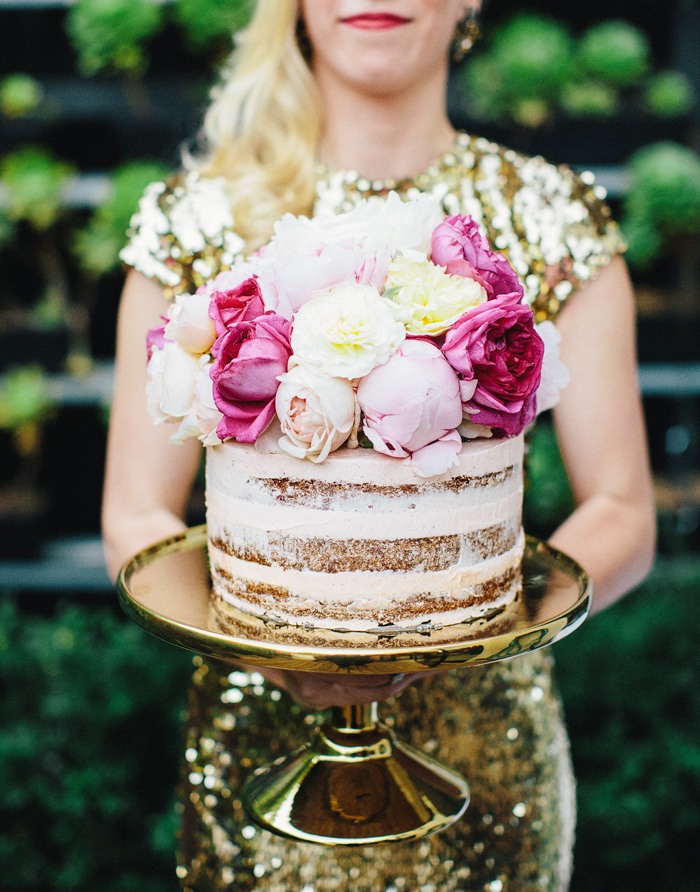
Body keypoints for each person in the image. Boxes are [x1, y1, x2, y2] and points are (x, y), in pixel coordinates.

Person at [102, 1, 656, 889]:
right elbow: (134, 511)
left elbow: (623, 508)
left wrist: (455, 622)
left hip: (489, 755)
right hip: (254, 749)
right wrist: (272, 652)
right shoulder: (195, 218)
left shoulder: (552, 213)